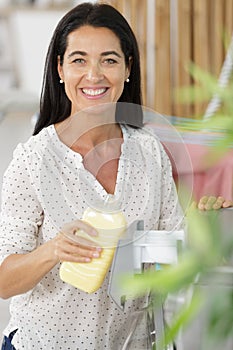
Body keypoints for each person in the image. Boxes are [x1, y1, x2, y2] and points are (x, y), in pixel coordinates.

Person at [0, 3, 184, 349]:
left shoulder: (150, 152)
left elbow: (174, 255)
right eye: (79, 60)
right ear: (60, 68)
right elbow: (3, 281)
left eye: (110, 60)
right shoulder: (33, 160)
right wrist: (53, 250)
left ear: (128, 68)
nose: (94, 75)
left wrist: (208, 230)